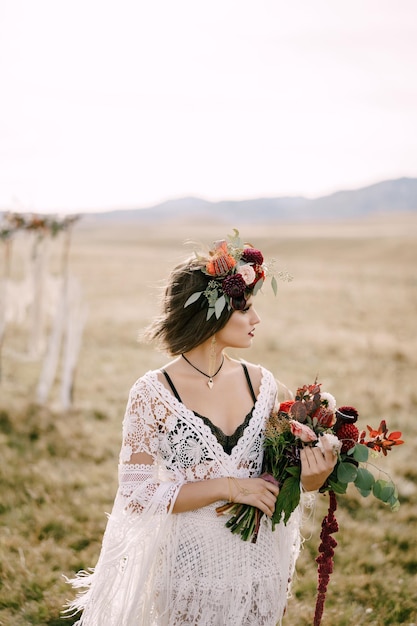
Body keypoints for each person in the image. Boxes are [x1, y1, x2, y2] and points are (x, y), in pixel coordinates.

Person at [65, 230, 336, 625]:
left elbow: (281, 481)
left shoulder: (263, 385)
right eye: (245, 309)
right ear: (212, 312)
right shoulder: (152, 394)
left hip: (260, 570)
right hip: (188, 573)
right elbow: (137, 494)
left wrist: (314, 477)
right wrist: (228, 486)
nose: (256, 319)